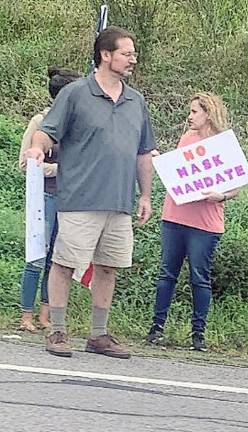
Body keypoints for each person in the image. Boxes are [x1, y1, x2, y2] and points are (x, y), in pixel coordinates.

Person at [23, 26, 155, 359]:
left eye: (133, 53)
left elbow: (143, 152)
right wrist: (38, 150)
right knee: (65, 264)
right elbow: (47, 133)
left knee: (108, 267)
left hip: (119, 201)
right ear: (105, 55)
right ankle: (56, 330)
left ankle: (98, 335)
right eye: (126, 53)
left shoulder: (135, 101)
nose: (132, 60)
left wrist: (145, 195)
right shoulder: (76, 94)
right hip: (80, 198)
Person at [145, 92, 239, 352]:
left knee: (200, 276)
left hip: (205, 222)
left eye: (194, 111)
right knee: (167, 273)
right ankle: (156, 327)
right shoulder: (187, 139)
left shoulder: (223, 144)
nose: (189, 116)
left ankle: (198, 334)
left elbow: (236, 185)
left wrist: (222, 195)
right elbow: (178, 173)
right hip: (175, 215)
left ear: (208, 113)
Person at [17, 67, 81, 332]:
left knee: (58, 258)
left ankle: (46, 314)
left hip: (70, 199)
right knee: (36, 258)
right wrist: (59, 169)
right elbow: (25, 162)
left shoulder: (78, 124)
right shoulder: (40, 122)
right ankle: (26, 315)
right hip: (44, 197)